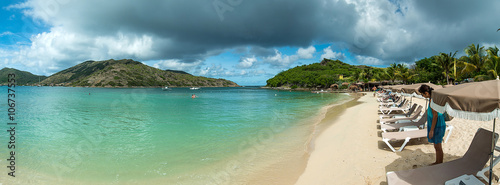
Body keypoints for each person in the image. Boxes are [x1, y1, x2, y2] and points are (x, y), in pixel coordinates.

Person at [418, 84, 446, 165]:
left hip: (437, 125)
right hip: (437, 124)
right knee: (437, 146)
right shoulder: (433, 99)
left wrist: (431, 130)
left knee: (438, 147)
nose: (422, 96)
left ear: (426, 93)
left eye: (422, 94)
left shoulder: (432, 101)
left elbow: (435, 116)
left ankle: (439, 163)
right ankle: (438, 162)